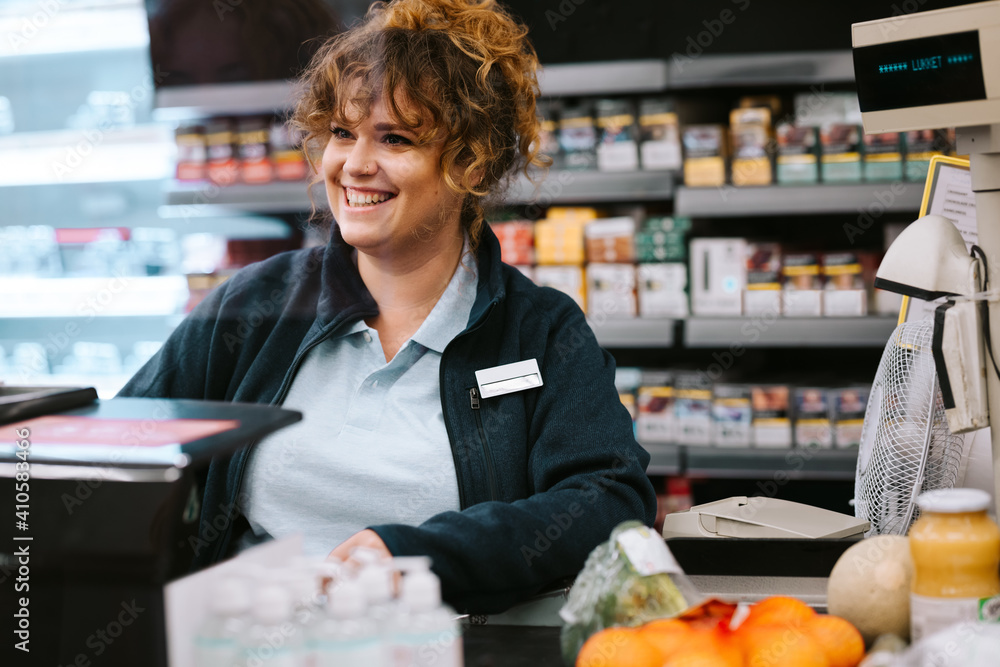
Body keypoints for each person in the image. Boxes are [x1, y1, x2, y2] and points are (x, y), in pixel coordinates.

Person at [119, 0, 656, 614]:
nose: (355, 164)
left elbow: (610, 497)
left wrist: (415, 556)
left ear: (469, 164)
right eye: (343, 133)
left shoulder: (538, 330)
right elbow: (122, 446)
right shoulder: (255, 305)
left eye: (395, 138)